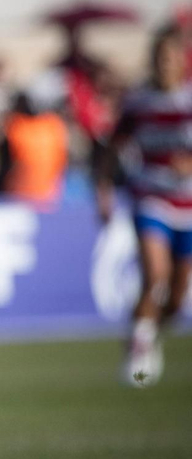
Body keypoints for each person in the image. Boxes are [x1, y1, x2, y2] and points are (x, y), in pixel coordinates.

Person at [95, 23, 192, 387]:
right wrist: (103, 190)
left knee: (178, 297)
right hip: (150, 197)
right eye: (159, 57)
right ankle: (139, 352)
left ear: (182, 61)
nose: (164, 64)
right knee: (155, 276)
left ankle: (146, 333)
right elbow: (111, 148)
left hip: (188, 204)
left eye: (170, 57)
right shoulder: (138, 103)